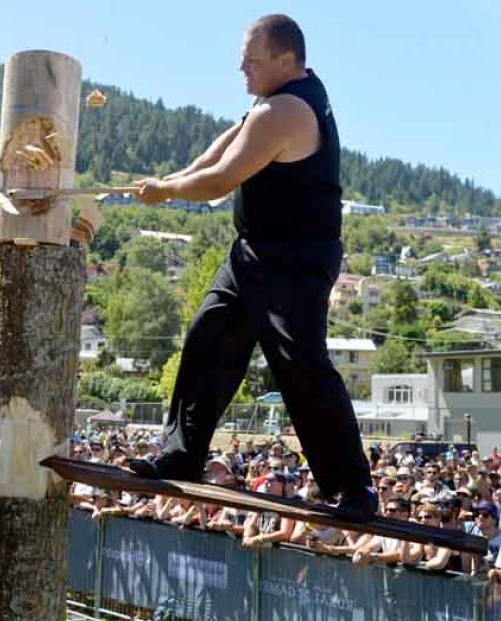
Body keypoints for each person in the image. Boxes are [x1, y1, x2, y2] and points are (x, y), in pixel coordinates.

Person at [128, 13, 375, 518]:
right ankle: (181, 455)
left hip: (297, 260)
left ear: (287, 60)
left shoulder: (285, 111)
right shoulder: (274, 99)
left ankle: (353, 488)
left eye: (251, 61)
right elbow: (218, 152)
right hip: (254, 252)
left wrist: (166, 193)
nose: (242, 68)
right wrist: (168, 178)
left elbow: (218, 183)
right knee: (207, 340)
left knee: (300, 364)